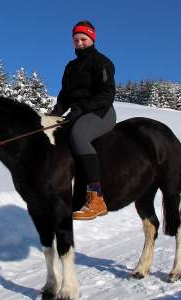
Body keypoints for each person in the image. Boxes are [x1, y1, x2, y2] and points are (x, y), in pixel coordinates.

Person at [50, 20, 116, 220]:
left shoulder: (101, 62)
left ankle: (96, 199)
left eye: (83, 39)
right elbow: (64, 98)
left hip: (101, 112)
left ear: (92, 39)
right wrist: (53, 116)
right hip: (77, 112)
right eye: (76, 39)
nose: (79, 42)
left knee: (79, 134)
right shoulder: (70, 67)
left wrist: (82, 109)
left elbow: (107, 94)